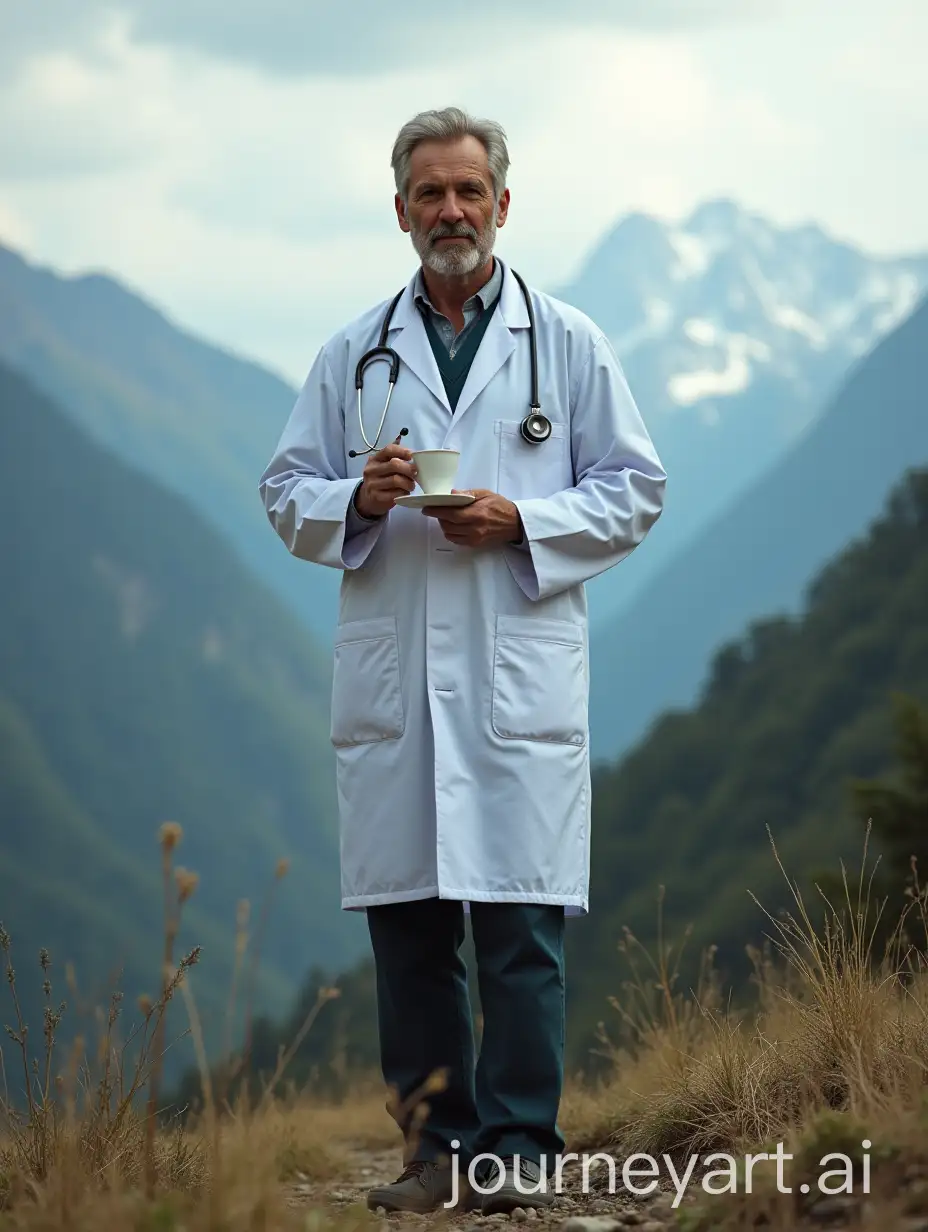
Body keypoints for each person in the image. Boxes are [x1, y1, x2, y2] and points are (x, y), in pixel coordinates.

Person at [258, 106, 666, 1215]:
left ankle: (520, 1147)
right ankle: (436, 1150)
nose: (449, 210)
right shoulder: (352, 354)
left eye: (467, 191)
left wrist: (523, 521)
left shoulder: (568, 342)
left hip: (512, 667)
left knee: (519, 924)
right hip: (396, 674)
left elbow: (636, 487)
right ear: (399, 210)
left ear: (500, 203)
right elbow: (283, 489)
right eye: (428, 193)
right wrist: (358, 498)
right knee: (411, 929)